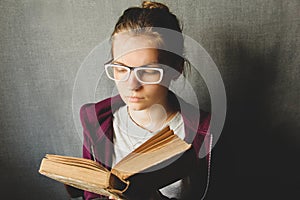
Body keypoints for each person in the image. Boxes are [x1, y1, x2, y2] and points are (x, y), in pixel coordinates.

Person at [67, 1, 211, 200]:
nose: (132, 84)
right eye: (120, 69)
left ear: (176, 69)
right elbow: (91, 194)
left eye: (149, 71)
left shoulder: (203, 133)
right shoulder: (96, 121)